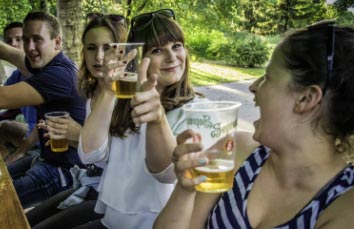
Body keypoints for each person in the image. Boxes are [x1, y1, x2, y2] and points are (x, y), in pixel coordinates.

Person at [154, 21, 354, 229]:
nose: (253, 87)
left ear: (306, 98)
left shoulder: (353, 205)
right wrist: (185, 189)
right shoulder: (237, 152)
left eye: (267, 77)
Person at [76, 9, 205, 228]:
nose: (172, 57)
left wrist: (158, 120)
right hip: (110, 221)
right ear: (138, 59)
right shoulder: (123, 101)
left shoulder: (199, 111)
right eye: (157, 50)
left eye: (177, 46)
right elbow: (90, 154)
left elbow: (167, 174)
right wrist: (108, 91)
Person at [25, 13, 128, 228]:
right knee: (24, 220)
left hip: (114, 197)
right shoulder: (91, 92)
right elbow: (92, 157)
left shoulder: (127, 95)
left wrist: (78, 136)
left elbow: (131, 163)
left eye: (107, 47)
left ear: (122, 51)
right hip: (89, 181)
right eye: (91, 48)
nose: (99, 56)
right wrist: (68, 136)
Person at [0, 11, 86, 208]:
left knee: (4, 203)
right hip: (45, 159)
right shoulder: (49, 64)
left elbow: (2, 98)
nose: (30, 47)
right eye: (26, 39)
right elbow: (12, 53)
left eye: (37, 39)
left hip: (64, 171)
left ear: (57, 42)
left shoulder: (58, 75)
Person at [0, 21, 39, 162]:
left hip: (46, 142)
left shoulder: (42, 72)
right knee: (4, 128)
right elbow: (10, 106)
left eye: (19, 39)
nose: (13, 44)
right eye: (8, 41)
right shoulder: (16, 75)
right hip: (29, 134)